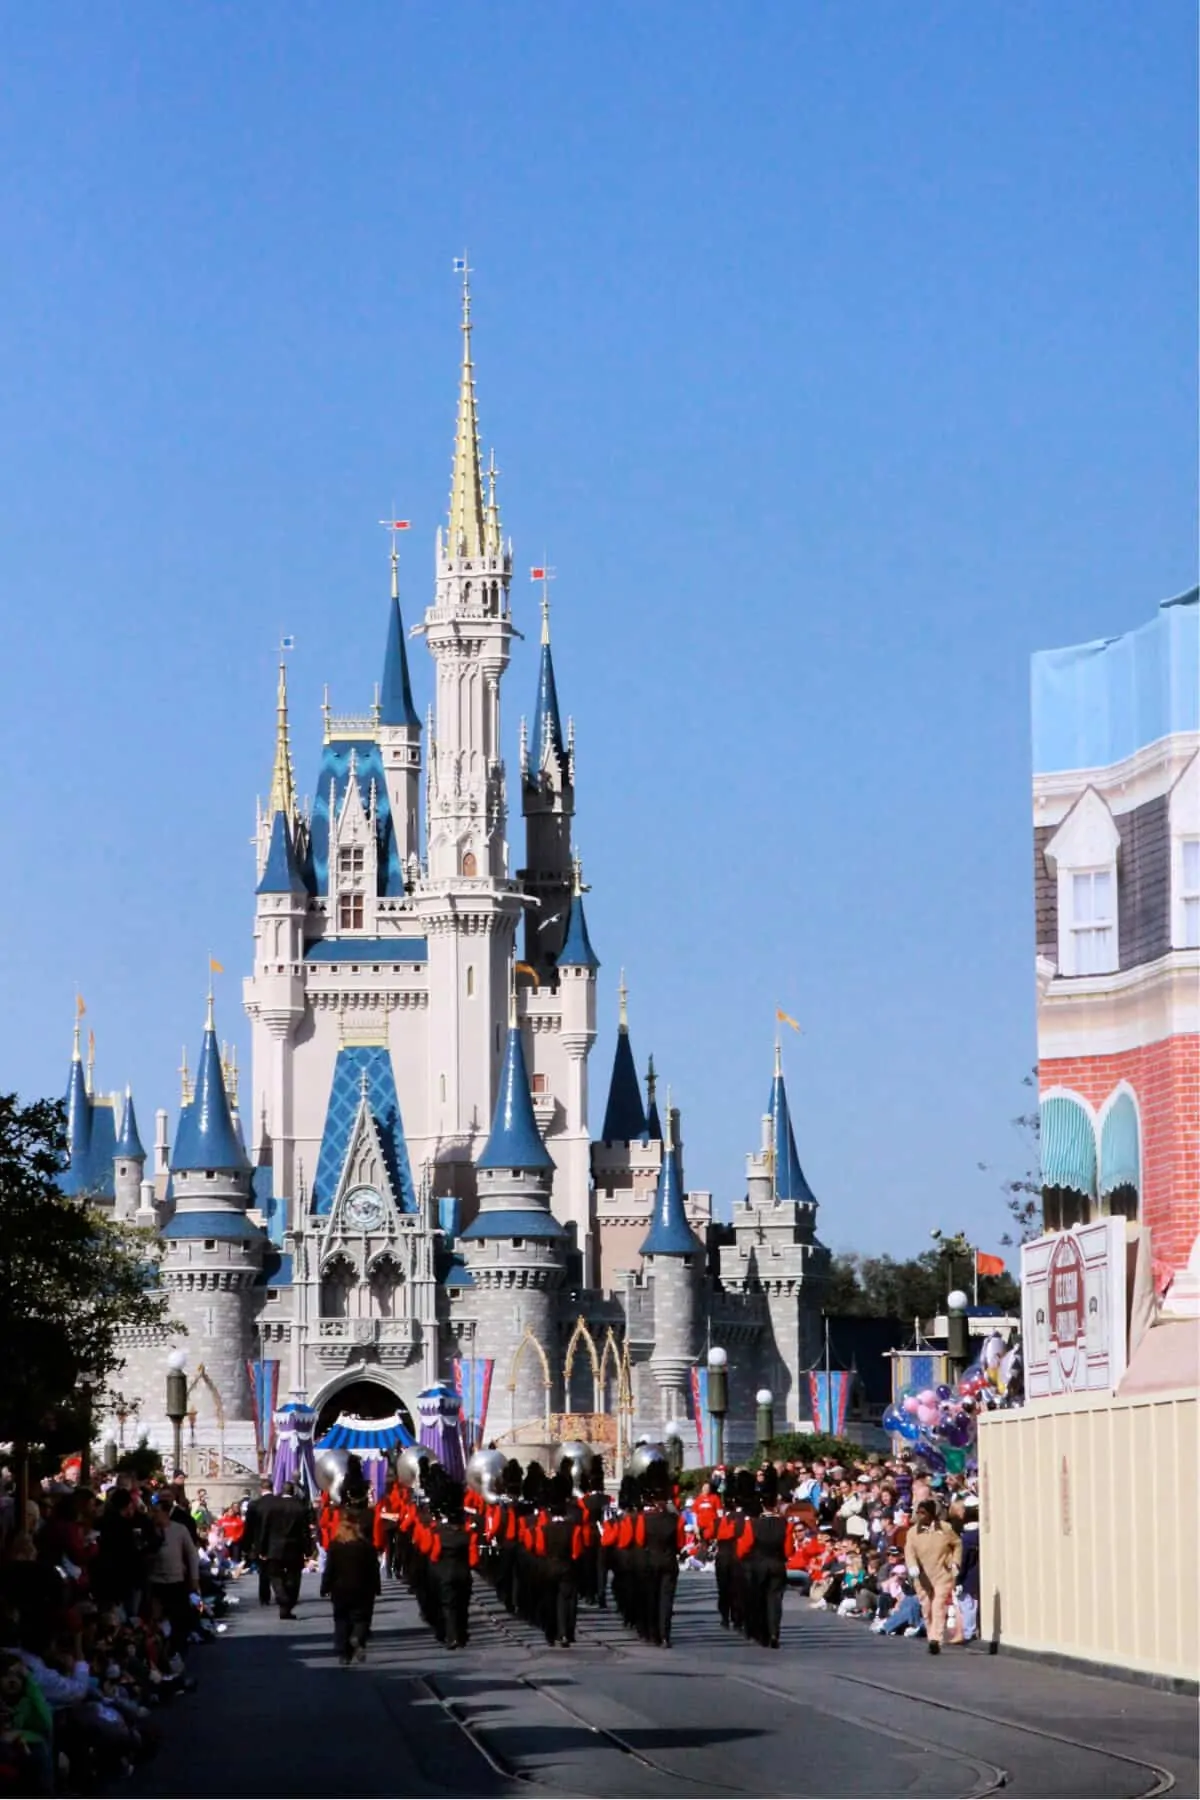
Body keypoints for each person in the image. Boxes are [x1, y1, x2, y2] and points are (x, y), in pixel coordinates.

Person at [320, 1514, 381, 1664]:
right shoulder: (366, 1546)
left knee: (341, 1620)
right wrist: (377, 1587)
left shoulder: (335, 1547)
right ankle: (357, 1637)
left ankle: (344, 1653)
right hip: (363, 1588)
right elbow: (374, 1569)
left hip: (340, 1589)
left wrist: (325, 1587)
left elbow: (329, 1570)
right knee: (361, 1618)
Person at [905, 1499, 961, 1655]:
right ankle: (931, 1636)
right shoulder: (912, 1532)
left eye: (923, 1513)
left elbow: (957, 1544)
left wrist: (955, 1562)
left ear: (931, 1513)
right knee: (927, 1607)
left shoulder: (945, 1528)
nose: (920, 1516)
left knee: (938, 1604)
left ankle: (936, 1638)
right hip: (922, 1575)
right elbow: (909, 1551)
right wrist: (912, 1566)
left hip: (942, 1572)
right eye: (918, 1512)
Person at [259, 1482, 312, 1620]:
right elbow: (305, 1531)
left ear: (282, 1491)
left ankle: (282, 1597)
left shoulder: (273, 1506)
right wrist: (308, 1550)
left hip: (274, 1547)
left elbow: (265, 1527)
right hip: (294, 1547)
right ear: (293, 1491)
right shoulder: (299, 1507)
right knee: (293, 1577)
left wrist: (262, 1548)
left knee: (275, 1575)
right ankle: (287, 1605)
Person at [239, 1480, 275, 1605]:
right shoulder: (279, 1503)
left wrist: (246, 1545)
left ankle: (264, 1597)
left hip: (259, 1542)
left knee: (263, 1572)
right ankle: (280, 1592)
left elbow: (248, 1527)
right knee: (277, 1570)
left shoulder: (254, 1505)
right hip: (277, 1542)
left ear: (261, 1489)